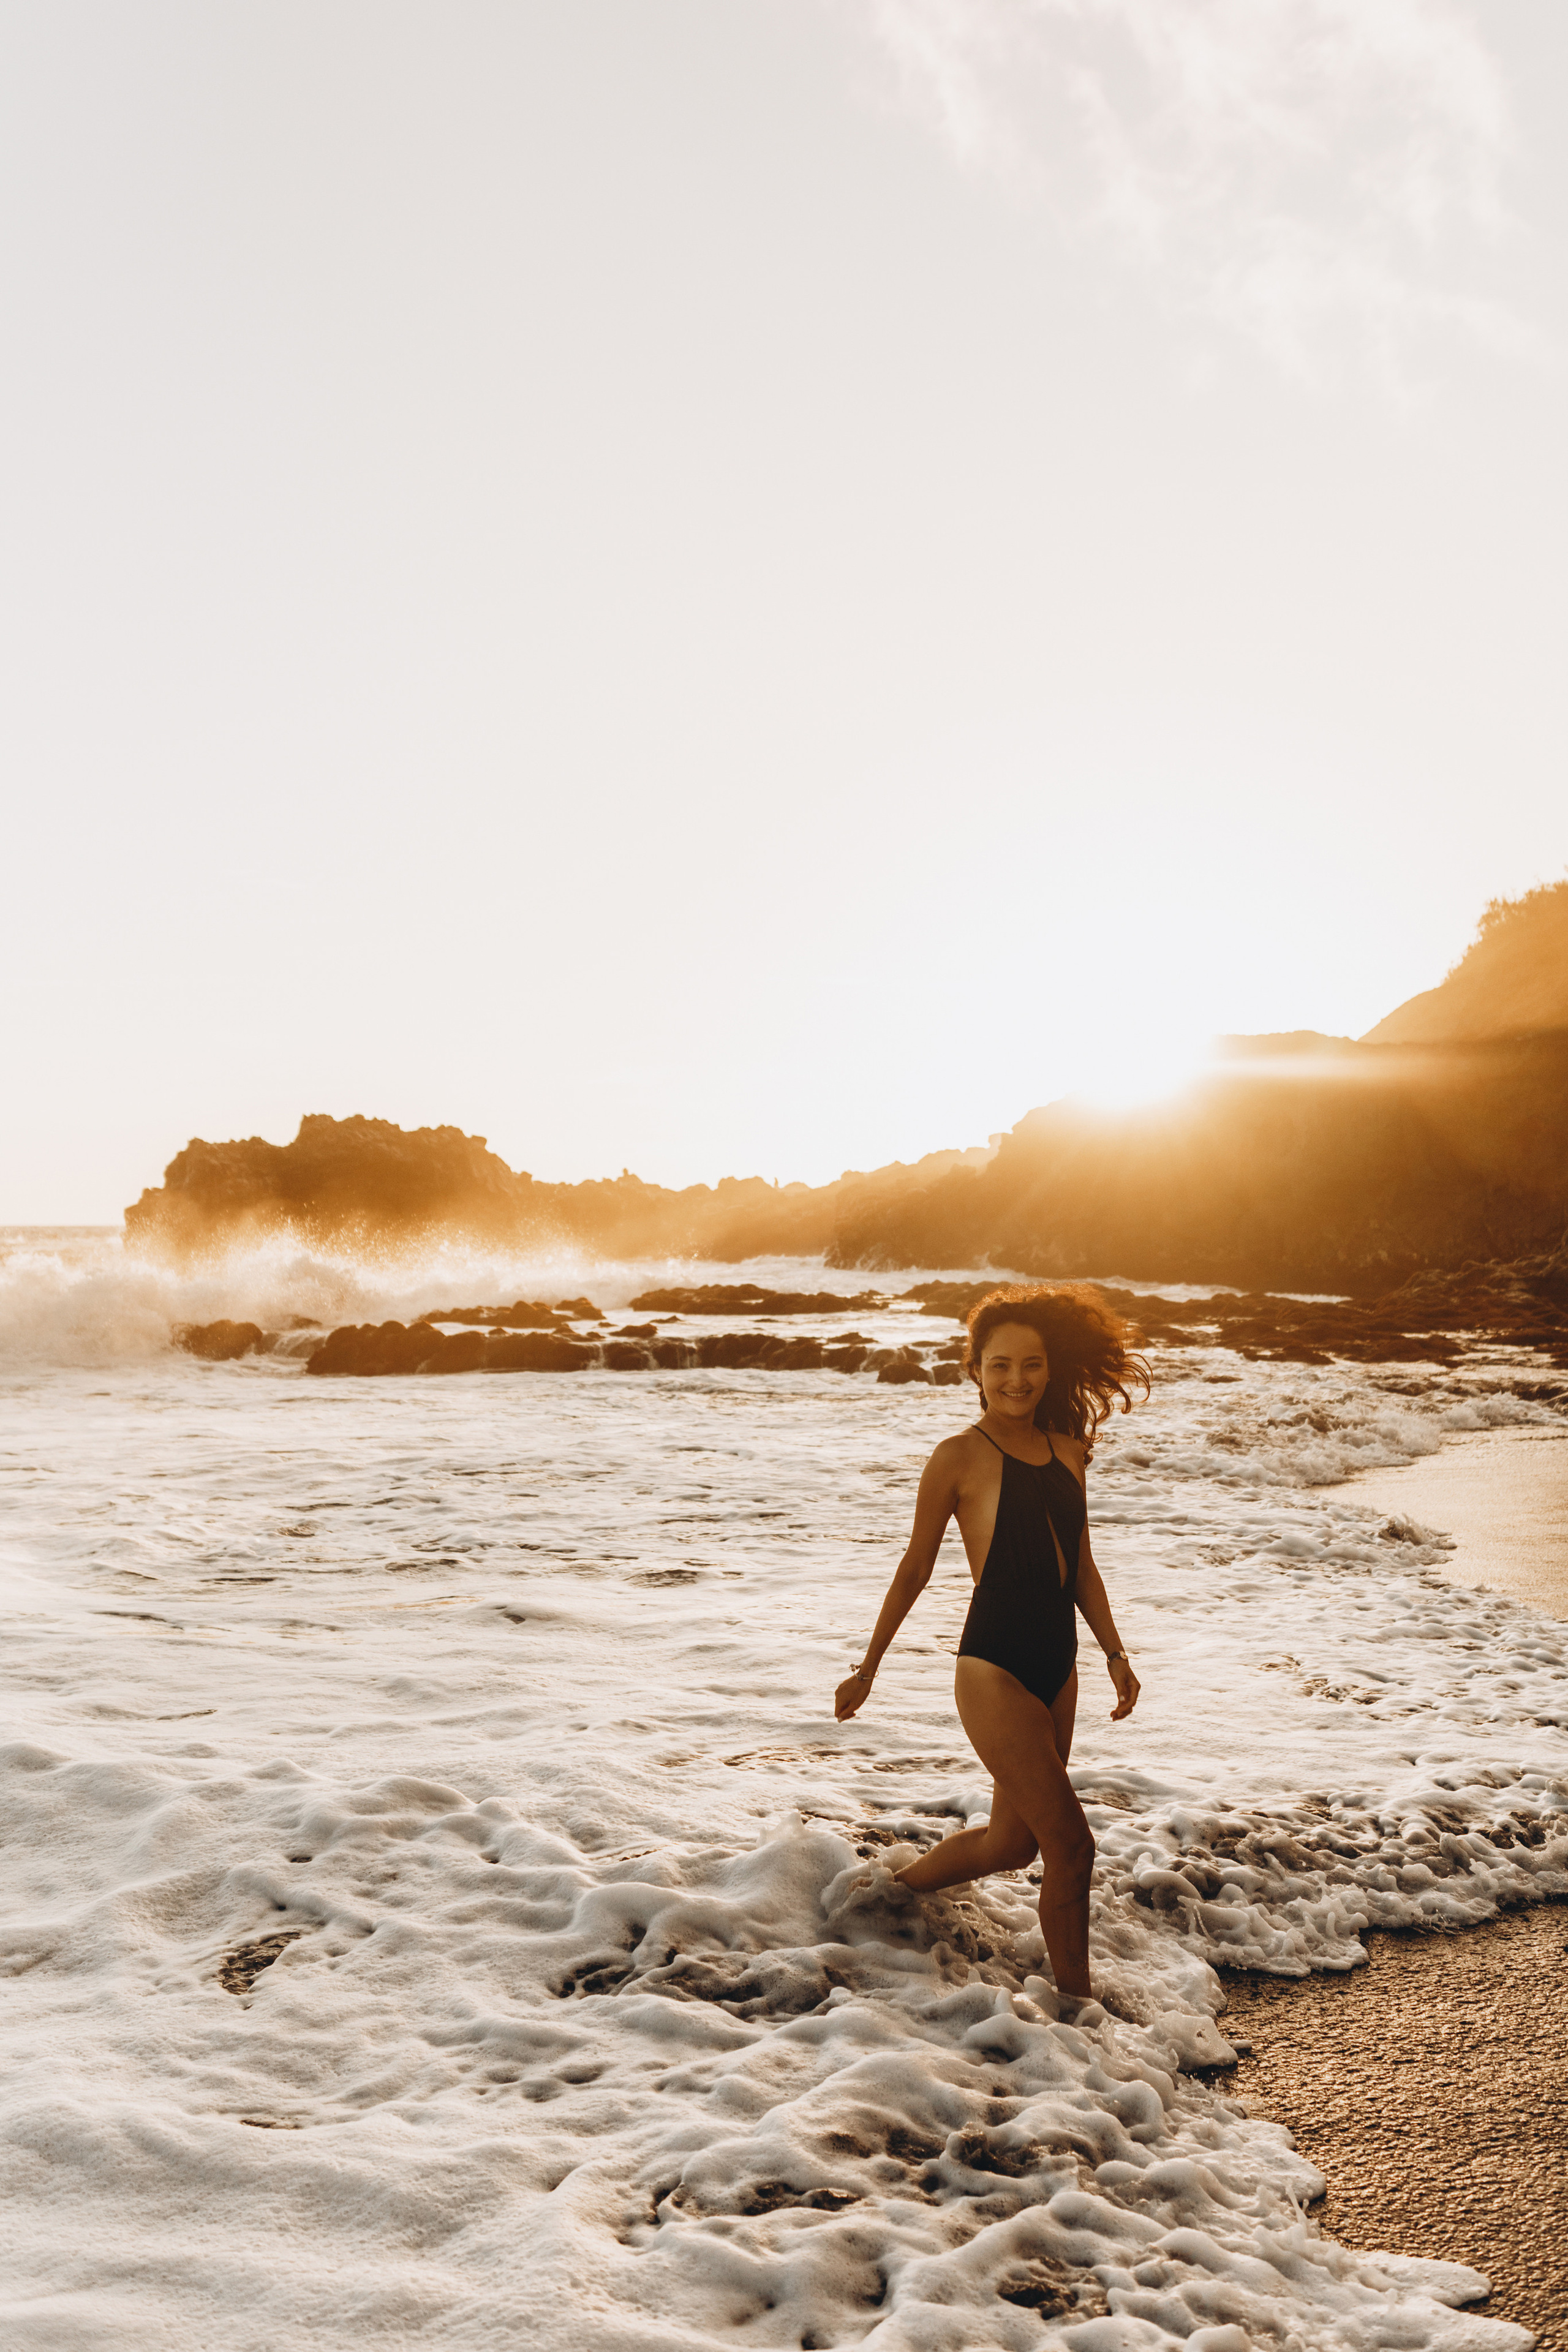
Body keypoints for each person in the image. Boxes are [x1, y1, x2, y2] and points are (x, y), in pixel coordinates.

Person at [834, 1284, 1148, 2008]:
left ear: (1049, 1367)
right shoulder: (956, 1457)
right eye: (1000, 1365)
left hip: (1058, 1665)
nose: (1017, 1380)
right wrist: (869, 1666)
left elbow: (1081, 1564)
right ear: (972, 1368)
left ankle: (887, 1894)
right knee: (1072, 1847)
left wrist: (1113, 1652)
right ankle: (1080, 2018)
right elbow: (915, 1566)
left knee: (1015, 1845)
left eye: (1031, 1365)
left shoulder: (1069, 1452)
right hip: (993, 1667)